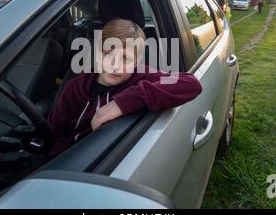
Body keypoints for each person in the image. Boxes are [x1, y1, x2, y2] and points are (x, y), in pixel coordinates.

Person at [47, 18, 203, 158]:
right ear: (97, 52)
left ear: (137, 62)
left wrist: (121, 103)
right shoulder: (74, 87)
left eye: (125, 59)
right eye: (108, 54)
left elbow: (191, 83)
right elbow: (56, 133)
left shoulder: (140, 76)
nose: (115, 66)